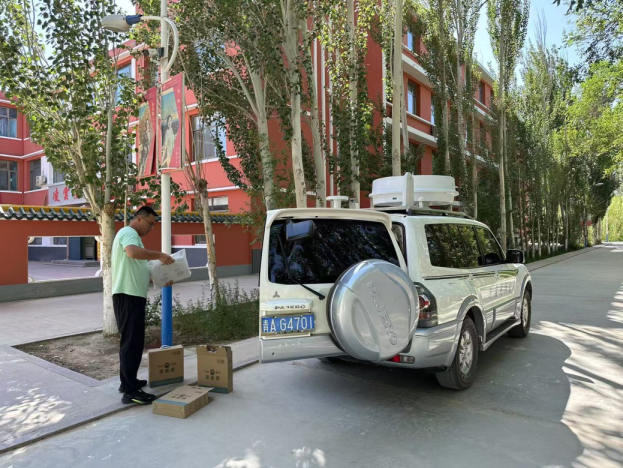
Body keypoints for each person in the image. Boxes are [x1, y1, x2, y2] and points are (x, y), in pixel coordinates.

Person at [111, 205, 174, 405]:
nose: (150, 229)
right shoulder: (128, 233)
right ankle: (130, 391)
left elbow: (140, 270)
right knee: (132, 343)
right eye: (150, 224)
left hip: (133, 296)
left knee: (133, 341)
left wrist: (161, 279)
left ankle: (127, 382)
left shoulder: (135, 239)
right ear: (139, 218)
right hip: (127, 295)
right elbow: (131, 252)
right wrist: (159, 255)